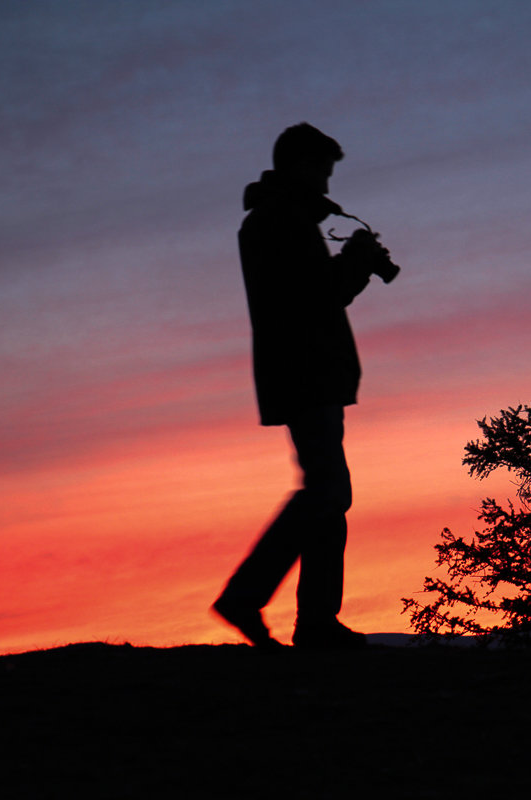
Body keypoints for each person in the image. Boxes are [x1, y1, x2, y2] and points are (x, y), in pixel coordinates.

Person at [213, 123, 392, 650]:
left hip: (306, 371)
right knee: (328, 492)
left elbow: (314, 294)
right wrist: (357, 263)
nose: (326, 185)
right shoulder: (279, 221)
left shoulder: (281, 220)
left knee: (328, 493)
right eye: (321, 171)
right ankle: (253, 600)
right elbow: (316, 298)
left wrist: (351, 267)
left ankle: (312, 621)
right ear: (298, 166)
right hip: (304, 370)